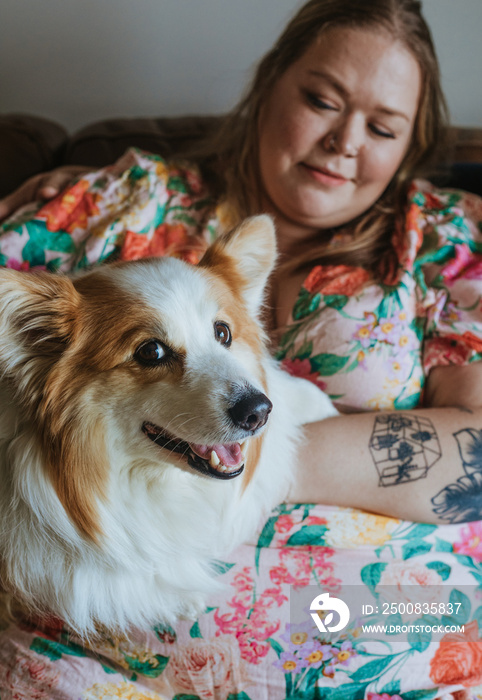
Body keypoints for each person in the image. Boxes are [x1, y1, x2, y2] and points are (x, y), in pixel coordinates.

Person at [1, 0, 482, 696]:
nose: (346, 141)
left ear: (411, 145)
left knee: (447, 627)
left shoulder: (443, 243)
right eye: (321, 100)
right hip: (97, 628)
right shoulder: (127, 198)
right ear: (268, 87)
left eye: (382, 127)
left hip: (373, 619)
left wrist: (261, 458)